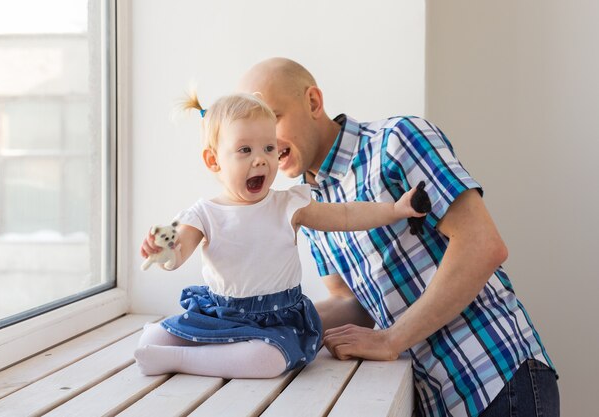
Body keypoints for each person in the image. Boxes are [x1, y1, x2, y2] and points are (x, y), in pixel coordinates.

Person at [237, 58, 559, 417]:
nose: (264, 143)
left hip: (497, 380)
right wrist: (266, 322)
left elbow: (482, 246)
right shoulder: (308, 203)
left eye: (274, 119)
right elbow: (351, 303)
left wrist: (392, 339)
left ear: (313, 102)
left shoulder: (396, 141)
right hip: (433, 399)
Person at [135, 92, 429, 379]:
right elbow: (178, 251)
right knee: (158, 334)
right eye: (245, 150)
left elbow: (346, 215)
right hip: (221, 314)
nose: (261, 160)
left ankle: (180, 360)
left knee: (268, 361)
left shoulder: (288, 204)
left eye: (269, 148)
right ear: (213, 161)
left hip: (276, 320)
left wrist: (394, 209)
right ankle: (189, 350)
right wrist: (164, 253)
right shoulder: (203, 213)